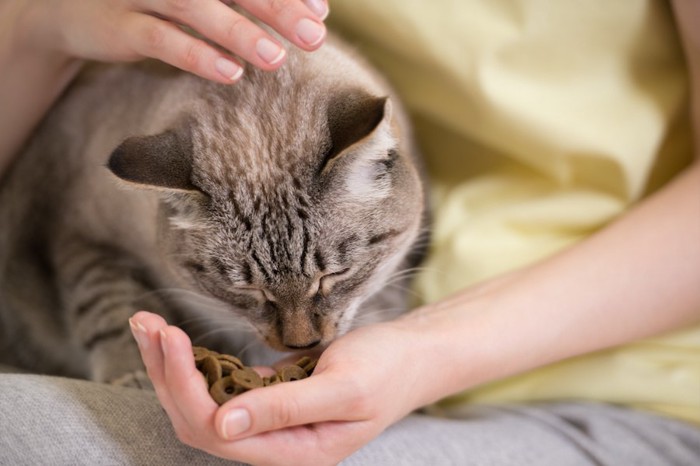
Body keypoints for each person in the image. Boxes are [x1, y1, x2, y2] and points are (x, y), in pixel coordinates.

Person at [1, 1, 699, 465]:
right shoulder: (151, 152)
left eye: (329, 283)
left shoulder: (364, 150)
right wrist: (35, 27)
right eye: (259, 297)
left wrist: (424, 349)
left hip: (620, 389)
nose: (299, 334)